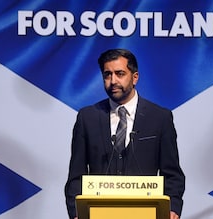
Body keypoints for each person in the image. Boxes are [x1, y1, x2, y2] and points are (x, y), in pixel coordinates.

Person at [64, 49, 185, 219]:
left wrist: (172, 208)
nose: (113, 81)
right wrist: (76, 213)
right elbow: (76, 176)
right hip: (98, 213)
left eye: (120, 74)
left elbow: (172, 174)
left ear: (135, 77)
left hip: (146, 213)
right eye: (107, 75)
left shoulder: (160, 118)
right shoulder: (87, 118)